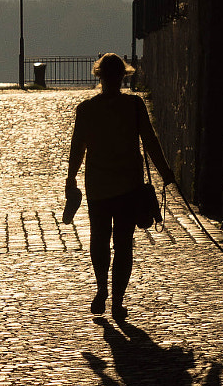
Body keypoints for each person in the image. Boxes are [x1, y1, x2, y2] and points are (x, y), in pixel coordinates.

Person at [66, 52, 174, 320]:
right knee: (124, 244)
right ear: (123, 76)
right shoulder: (134, 106)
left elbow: (77, 149)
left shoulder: (87, 110)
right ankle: (117, 302)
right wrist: (166, 172)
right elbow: (150, 141)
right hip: (128, 187)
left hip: (99, 188)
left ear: (99, 76)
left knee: (99, 240)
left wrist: (71, 179)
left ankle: (102, 287)